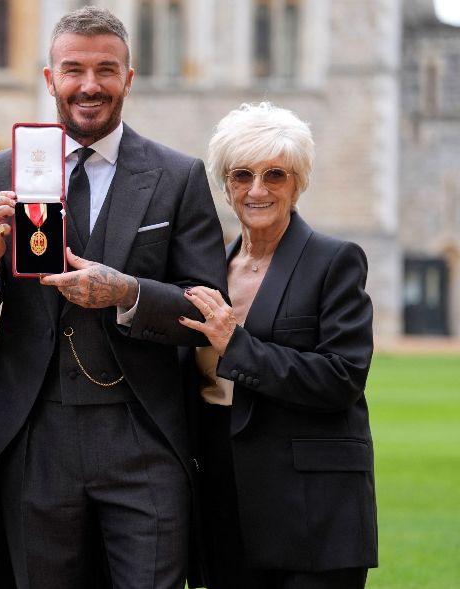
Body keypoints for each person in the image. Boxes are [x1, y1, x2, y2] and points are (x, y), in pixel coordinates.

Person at [0, 6, 227, 588]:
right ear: (49, 78)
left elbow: (206, 306)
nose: (89, 85)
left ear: (128, 77)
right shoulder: (0, 173)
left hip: (143, 436)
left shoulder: (178, 177)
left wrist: (128, 293)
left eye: (106, 70)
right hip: (37, 437)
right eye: (73, 69)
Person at [179, 102, 377, 589]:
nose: (257, 190)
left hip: (313, 507)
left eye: (275, 175)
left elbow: (342, 378)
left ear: (298, 183)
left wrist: (236, 345)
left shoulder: (335, 260)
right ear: (226, 185)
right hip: (223, 496)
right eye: (242, 175)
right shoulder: (209, 270)